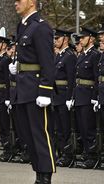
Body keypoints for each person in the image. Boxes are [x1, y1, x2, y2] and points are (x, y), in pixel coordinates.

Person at [9, 0, 56, 183]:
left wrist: (45, 90)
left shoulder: (41, 28)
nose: (15, 3)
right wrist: (17, 67)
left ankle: (46, 177)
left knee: (40, 135)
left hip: (36, 90)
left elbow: (47, 62)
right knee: (27, 135)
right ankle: (38, 174)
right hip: (23, 88)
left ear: (31, 2)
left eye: (19, 0)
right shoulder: (24, 27)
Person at [73, 27, 101, 169]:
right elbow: (76, 78)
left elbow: (97, 78)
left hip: (88, 95)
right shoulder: (82, 55)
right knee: (82, 127)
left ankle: (92, 156)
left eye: (83, 37)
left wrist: (96, 96)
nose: (80, 40)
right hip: (79, 95)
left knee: (89, 127)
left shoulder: (95, 55)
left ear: (91, 38)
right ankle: (86, 152)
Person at [52, 29, 77, 167]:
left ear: (65, 39)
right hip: (56, 96)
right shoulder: (58, 56)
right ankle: (61, 153)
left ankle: (68, 155)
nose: (55, 41)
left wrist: (69, 97)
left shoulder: (69, 56)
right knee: (59, 128)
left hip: (64, 96)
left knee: (66, 127)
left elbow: (71, 79)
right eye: (55, 38)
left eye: (58, 38)